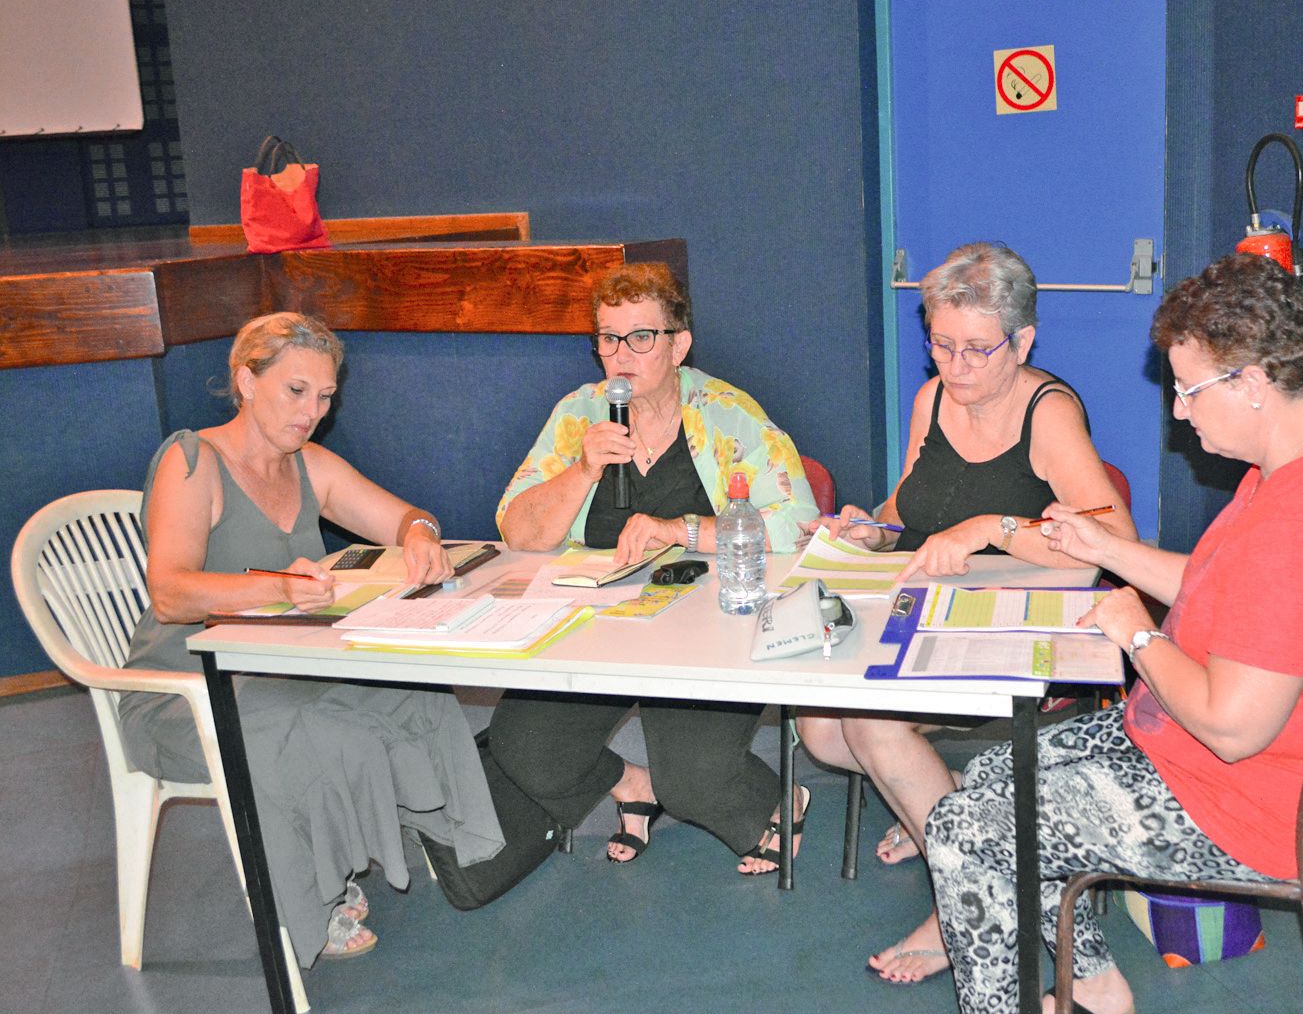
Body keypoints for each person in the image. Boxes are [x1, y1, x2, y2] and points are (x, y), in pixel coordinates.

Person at [925, 253, 1303, 1014]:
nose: (1180, 414)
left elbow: (1232, 726)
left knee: (966, 824)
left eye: (1189, 390)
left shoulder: (1302, 530)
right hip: (1194, 752)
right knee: (994, 775)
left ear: (1251, 381)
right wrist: (1103, 546)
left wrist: (1135, 633)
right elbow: (1219, 584)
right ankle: (1094, 987)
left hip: (1242, 802)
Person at [795, 242, 1135, 984]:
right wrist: (869, 526)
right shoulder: (933, 401)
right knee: (819, 728)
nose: (957, 367)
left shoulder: (1048, 414)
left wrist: (992, 528)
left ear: (1024, 341)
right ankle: (949, 815)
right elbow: (910, 507)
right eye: (941, 345)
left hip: (1018, 626)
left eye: (979, 349)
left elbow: (1115, 543)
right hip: (925, 609)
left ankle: (969, 898)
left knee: (873, 723)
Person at [120, 312, 505, 966]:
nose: (312, 412)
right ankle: (311, 897)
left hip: (278, 670)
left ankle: (438, 844)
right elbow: (171, 593)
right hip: (185, 695)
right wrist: (275, 588)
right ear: (246, 379)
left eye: (325, 397)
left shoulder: (309, 464)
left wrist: (419, 534)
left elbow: (402, 515)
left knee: (418, 696)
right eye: (296, 391)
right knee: (315, 735)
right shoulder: (194, 461)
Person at [493, 262, 818, 874]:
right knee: (526, 748)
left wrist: (682, 530)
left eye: (641, 337)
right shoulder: (577, 415)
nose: (622, 355)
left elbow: (797, 526)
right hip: (598, 623)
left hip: (705, 626)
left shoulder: (726, 412)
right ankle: (632, 784)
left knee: (692, 782)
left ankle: (776, 798)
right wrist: (580, 471)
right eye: (608, 338)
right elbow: (517, 531)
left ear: (678, 345)